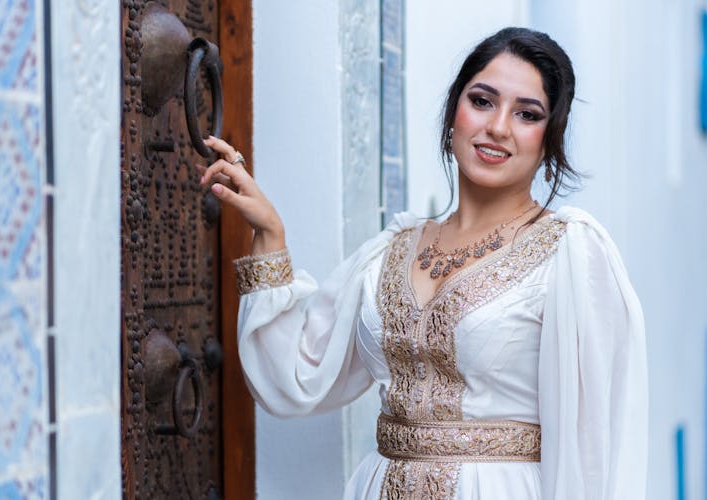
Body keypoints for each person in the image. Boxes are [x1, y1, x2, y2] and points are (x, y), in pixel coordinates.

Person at [197, 26, 647, 500]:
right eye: (482, 101)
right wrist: (271, 234)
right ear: (454, 113)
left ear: (549, 139)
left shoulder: (570, 253)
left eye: (527, 114)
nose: (498, 127)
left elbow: (600, 444)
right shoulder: (391, 250)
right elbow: (298, 371)